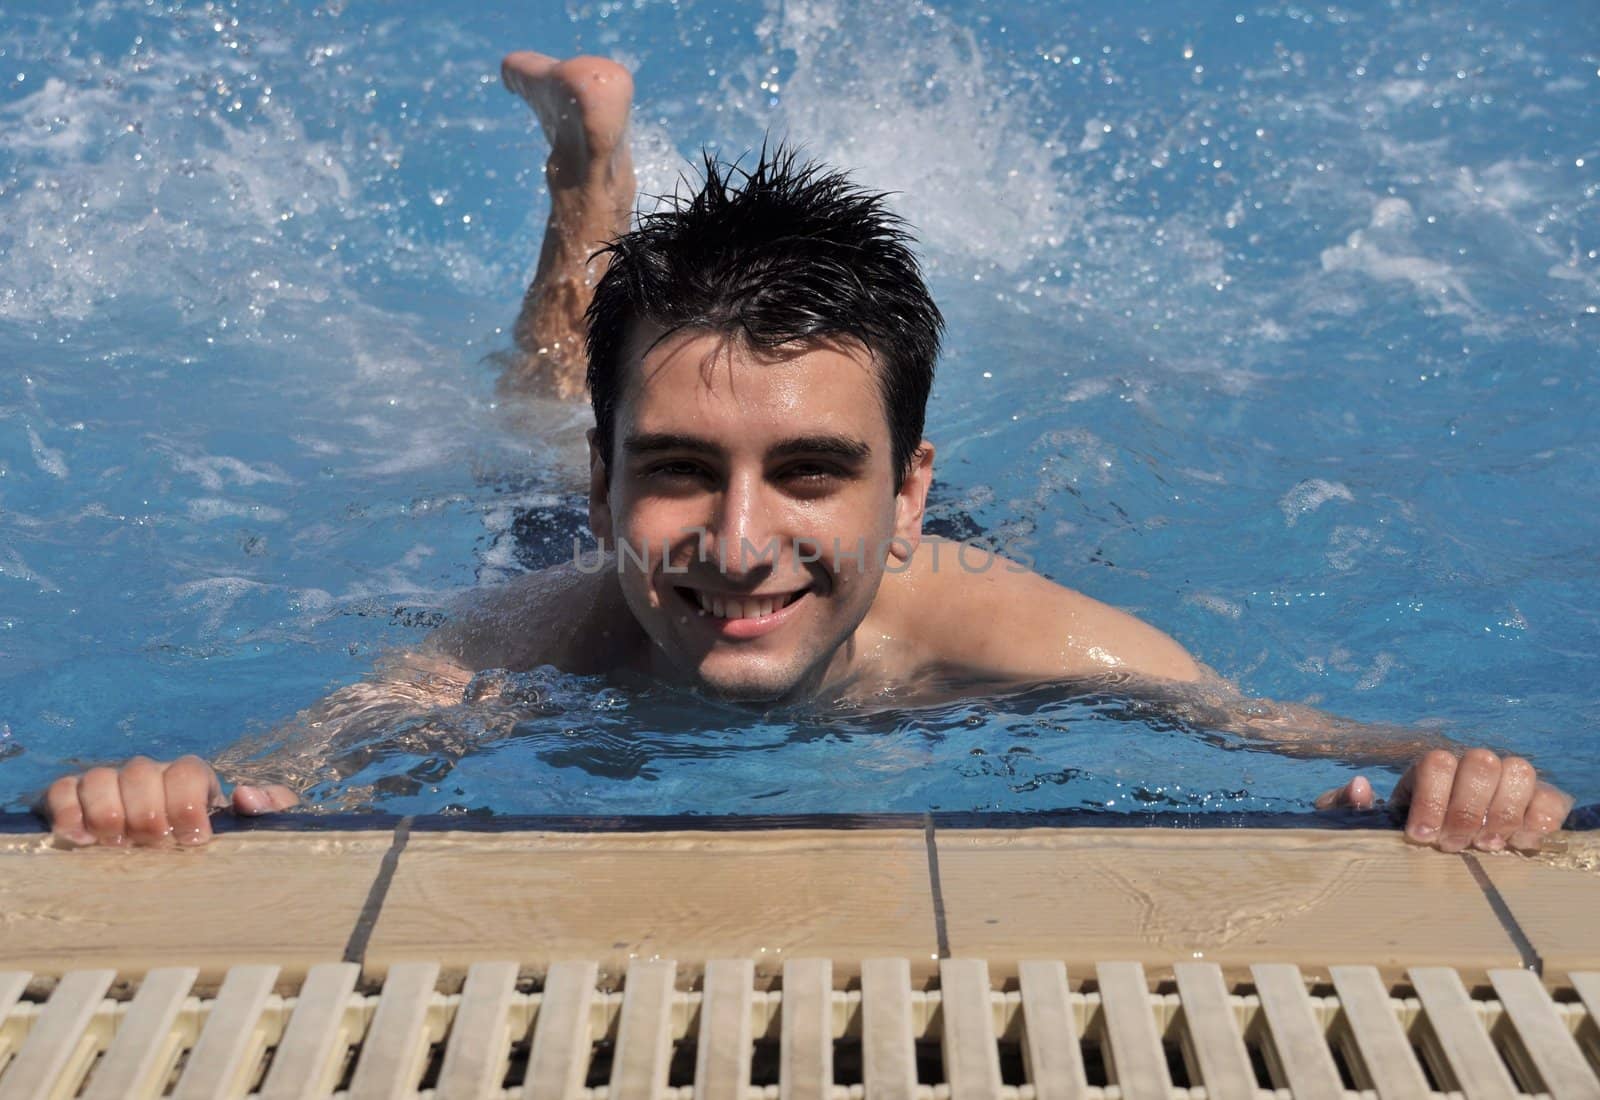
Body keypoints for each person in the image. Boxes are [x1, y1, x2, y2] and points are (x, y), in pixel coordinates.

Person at [36, 52, 1574, 853]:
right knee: (535, 403)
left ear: (910, 495)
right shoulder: (535, 629)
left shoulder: (1023, 636)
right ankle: (590, 179)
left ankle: (599, 184)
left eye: (817, 473)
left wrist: (1454, 778)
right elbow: (281, 767)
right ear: (612, 494)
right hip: (587, 528)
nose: (739, 542)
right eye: (677, 471)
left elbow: (1289, 734)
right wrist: (164, 793)